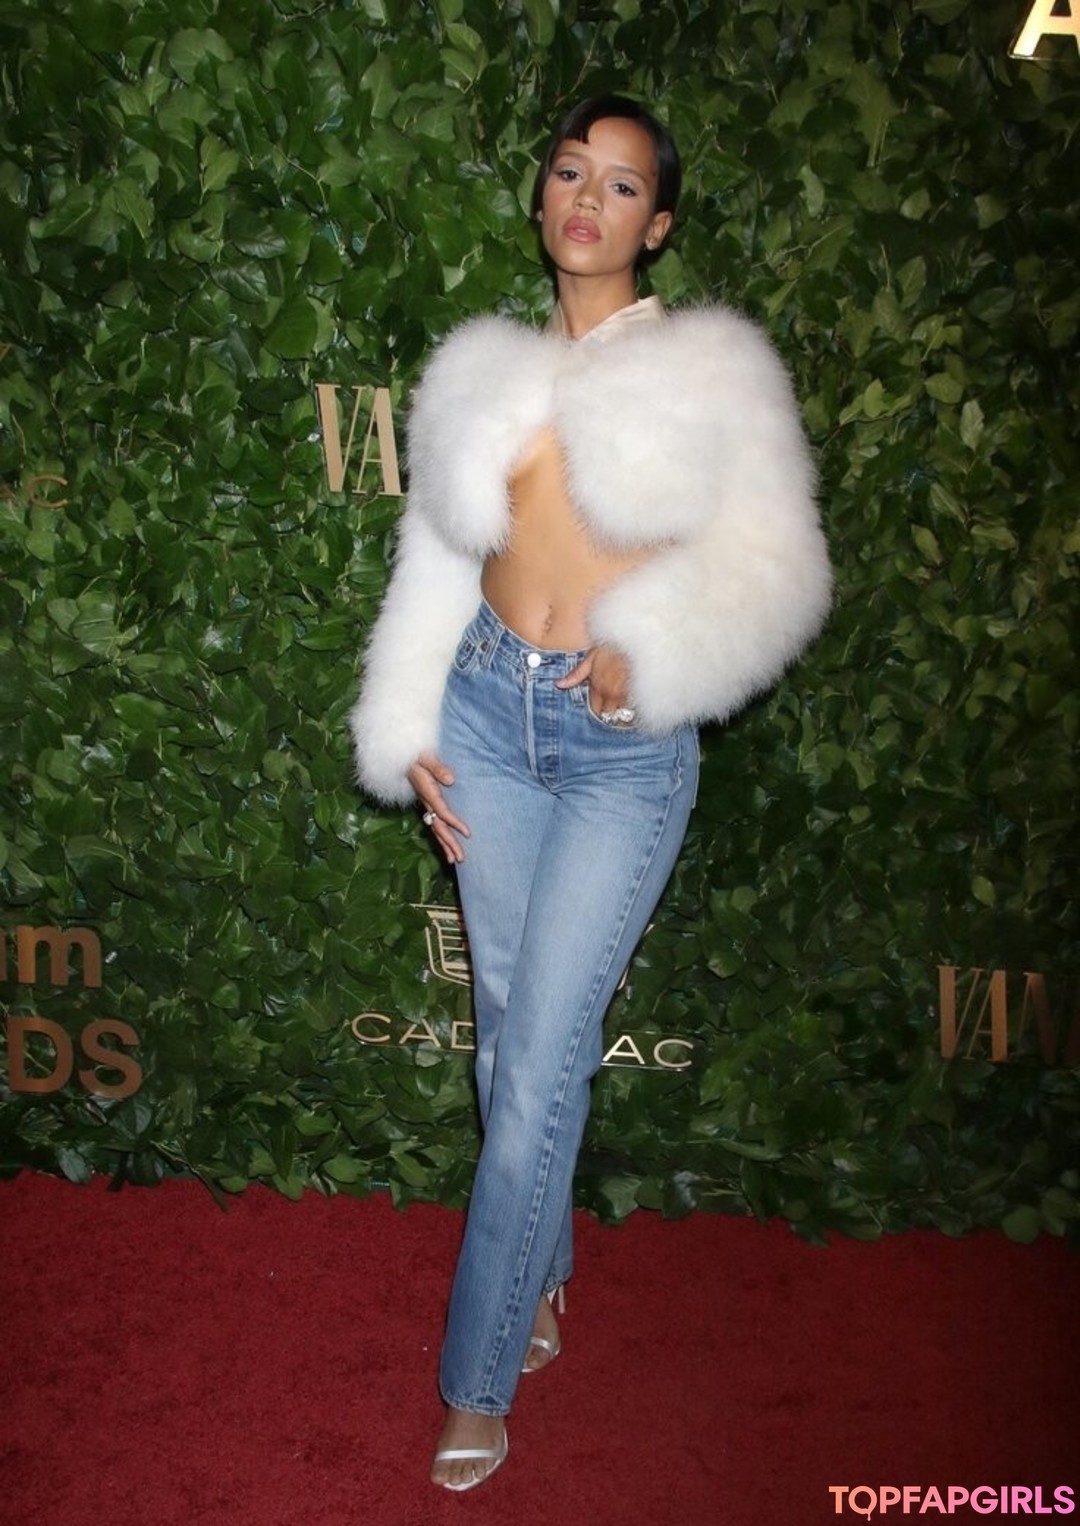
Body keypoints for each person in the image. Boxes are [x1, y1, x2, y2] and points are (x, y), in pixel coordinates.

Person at [349, 94, 832, 1491]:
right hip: (483, 717)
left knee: (540, 1060)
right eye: (571, 171)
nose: (588, 199)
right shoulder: (481, 369)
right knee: (507, 1042)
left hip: (618, 749)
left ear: (656, 223)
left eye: (622, 185)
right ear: (542, 196)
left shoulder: (714, 368)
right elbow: (438, 558)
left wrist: (655, 644)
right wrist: (407, 722)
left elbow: (779, 566)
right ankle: (544, 1271)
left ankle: (478, 1375)